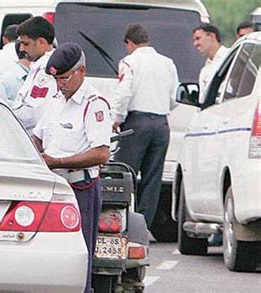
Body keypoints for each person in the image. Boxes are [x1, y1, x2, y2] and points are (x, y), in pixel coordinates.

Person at [32, 42, 112, 293]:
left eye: (65, 78)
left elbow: (101, 153)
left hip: (79, 187)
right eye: (56, 79)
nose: (60, 84)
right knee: (47, 256)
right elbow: (38, 137)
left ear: (81, 71)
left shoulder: (94, 104)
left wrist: (58, 162)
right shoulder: (55, 100)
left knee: (79, 257)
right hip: (50, 187)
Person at [112, 24, 178, 232]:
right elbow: (173, 98)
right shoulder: (168, 63)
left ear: (129, 43)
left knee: (125, 174)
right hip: (161, 124)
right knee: (152, 178)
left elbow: (124, 93)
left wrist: (117, 117)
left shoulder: (129, 62)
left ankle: (124, 220)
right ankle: (143, 226)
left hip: (136, 123)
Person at [12, 16, 56, 134]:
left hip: (33, 138)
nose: (21, 49)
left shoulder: (47, 71)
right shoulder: (38, 67)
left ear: (41, 42)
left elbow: (37, 113)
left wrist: (9, 118)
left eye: (25, 44)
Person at [192, 23, 230, 97]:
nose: (195, 44)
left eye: (198, 38)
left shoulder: (231, 56)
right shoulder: (204, 71)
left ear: (211, 36)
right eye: (194, 40)